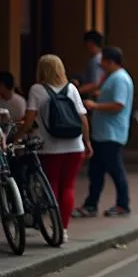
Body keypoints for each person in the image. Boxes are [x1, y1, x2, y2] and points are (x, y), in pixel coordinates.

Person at [17, 55, 92, 244]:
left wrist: (17, 136)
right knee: (68, 187)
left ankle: (54, 225)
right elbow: (83, 119)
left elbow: (28, 121)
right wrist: (87, 142)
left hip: (49, 147)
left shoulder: (37, 89)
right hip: (74, 146)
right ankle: (64, 230)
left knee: (52, 185)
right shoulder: (72, 89)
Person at [77, 46, 134, 218]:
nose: (100, 64)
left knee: (115, 170)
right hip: (103, 133)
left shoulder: (120, 79)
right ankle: (91, 204)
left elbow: (118, 105)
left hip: (112, 133)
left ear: (110, 61)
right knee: (96, 172)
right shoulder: (112, 78)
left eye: (103, 61)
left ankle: (123, 204)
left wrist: (95, 105)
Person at [78, 30, 105, 97]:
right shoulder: (100, 57)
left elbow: (96, 83)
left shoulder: (96, 60)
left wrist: (76, 91)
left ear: (90, 43)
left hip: (94, 98)